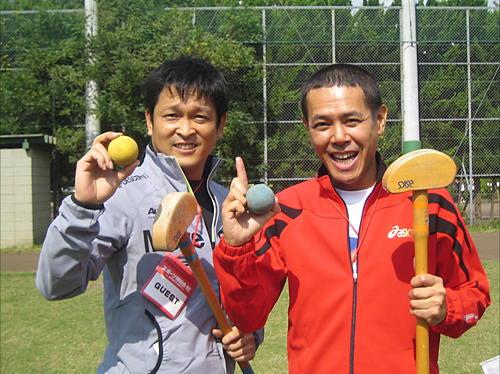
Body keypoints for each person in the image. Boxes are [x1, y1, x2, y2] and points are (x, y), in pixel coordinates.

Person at [213, 64, 490, 374]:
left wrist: (445, 308)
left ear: (380, 120)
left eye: (352, 120)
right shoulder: (285, 209)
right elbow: (247, 318)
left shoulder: (426, 201)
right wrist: (237, 246)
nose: (339, 137)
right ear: (307, 127)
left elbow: (475, 295)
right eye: (322, 124)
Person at [36, 56, 262, 374]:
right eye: (172, 116)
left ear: (220, 125)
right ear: (149, 121)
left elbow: (243, 293)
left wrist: (250, 332)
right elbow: (56, 285)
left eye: (200, 117)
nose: (186, 130)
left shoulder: (230, 206)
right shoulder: (122, 196)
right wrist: (82, 206)